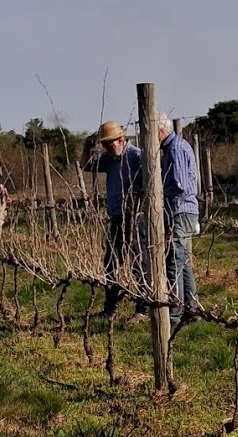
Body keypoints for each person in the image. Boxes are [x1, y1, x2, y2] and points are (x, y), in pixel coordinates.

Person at [82, 120, 145, 316]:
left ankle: (143, 308)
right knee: (111, 263)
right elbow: (85, 165)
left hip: (135, 218)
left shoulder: (137, 157)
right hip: (117, 218)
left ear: (121, 139)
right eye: (105, 144)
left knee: (139, 264)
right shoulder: (108, 159)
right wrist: (87, 146)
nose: (108, 148)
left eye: (111, 143)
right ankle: (110, 307)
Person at [156, 113, 201, 326]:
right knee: (182, 262)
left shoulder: (174, 149)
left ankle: (175, 314)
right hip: (183, 211)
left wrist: (158, 192)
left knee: (174, 262)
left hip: (180, 211)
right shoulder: (175, 147)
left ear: (159, 130)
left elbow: (180, 185)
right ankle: (191, 309)